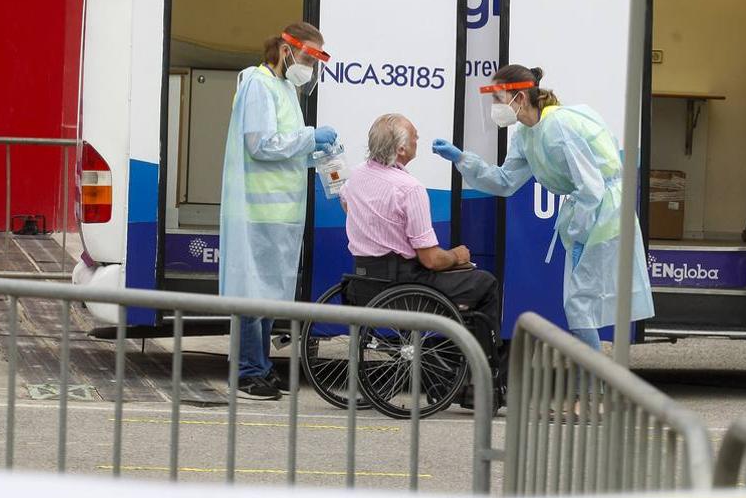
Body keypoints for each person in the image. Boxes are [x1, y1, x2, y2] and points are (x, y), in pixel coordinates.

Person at [431, 64, 654, 352]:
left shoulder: (559, 126)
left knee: (579, 304)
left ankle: (590, 389)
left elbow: (591, 187)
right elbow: (505, 182)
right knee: (580, 304)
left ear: (520, 98)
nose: (495, 108)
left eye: (498, 99)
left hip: (605, 214)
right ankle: (590, 387)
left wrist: (581, 229)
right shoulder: (526, 136)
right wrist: (462, 159)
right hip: (591, 214)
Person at [342, 114, 504, 406]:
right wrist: (457, 256)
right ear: (401, 150)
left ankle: (444, 375)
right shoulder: (410, 189)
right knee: (485, 284)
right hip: (406, 284)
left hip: (365, 282)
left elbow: (346, 203)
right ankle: (481, 381)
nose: (418, 139)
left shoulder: (356, 176)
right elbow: (431, 260)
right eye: (414, 136)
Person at [219, 22, 336, 400]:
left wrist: (313, 154)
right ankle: (248, 370)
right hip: (256, 207)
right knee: (251, 294)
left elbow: (284, 149)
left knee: (269, 293)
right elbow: (260, 144)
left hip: (281, 210)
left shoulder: (286, 89)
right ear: (286, 49)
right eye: (307, 56)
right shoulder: (258, 83)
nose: (310, 65)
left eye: (316, 59)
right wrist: (308, 137)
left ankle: (262, 366)